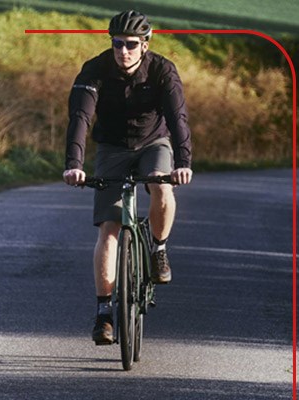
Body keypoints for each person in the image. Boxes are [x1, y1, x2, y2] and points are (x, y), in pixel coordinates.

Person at [62, 10, 193, 345]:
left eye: (131, 44)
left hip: (154, 142)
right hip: (112, 146)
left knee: (160, 183)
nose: (124, 50)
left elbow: (177, 118)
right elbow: (80, 117)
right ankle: (104, 313)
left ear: (145, 44)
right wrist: (74, 164)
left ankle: (159, 249)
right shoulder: (95, 70)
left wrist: (183, 162)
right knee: (109, 228)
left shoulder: (163, 71)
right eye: (117, 43)